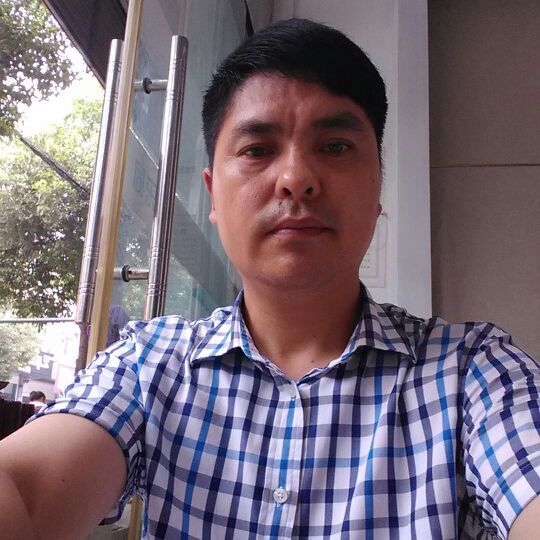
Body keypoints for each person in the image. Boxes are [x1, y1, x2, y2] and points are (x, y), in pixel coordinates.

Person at [1, 18, 539, 540]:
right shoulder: (149, 368)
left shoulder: (473, 372)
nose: (296, 179)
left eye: (335, 146)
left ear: (377, 188)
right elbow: (25, 492)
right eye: (257, 150)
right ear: (213, 194)